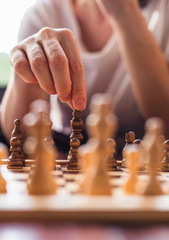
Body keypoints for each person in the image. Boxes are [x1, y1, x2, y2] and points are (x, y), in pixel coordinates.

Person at [1, 0, 169, 154]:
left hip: (144, 161)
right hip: (65, 159)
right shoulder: (44, 13)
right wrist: (30, 68)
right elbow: (18, 139)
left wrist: (124, 14)